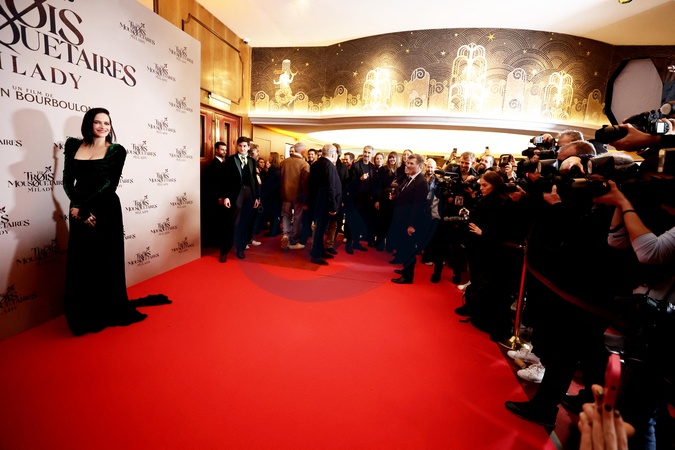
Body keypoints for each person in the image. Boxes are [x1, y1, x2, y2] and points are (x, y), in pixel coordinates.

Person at [62, 107, 169, 336]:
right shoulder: (73, 146)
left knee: (104, 258)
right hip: (78, 209)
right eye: (98, 122)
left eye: (107, 123)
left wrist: (84, 208)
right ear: (89, 124)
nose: (103, 127)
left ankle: (107, 307)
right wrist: (77, 206)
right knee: (82, 260)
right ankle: (84, 311)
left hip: (104, 208)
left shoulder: (116, 151)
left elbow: (109, 185)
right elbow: (67, 180)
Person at [390, 153, 431, 284]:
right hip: (403, 219)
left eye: (411, 163)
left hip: (410, 222)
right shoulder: (411, 178)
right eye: (407, 163)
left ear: (420, 166)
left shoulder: (421, 182)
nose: (407, 165)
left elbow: (418, 207)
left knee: (409, 249)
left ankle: (407, 277)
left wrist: (412, 225)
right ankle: (405, 270)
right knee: (404, 247)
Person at [223, 136, 260, 259]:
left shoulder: (252, 160)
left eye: (244, 146)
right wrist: (226, 197)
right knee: (232, 222)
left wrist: (257, 197)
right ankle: (224, 251)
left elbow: (254, 180)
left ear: (248, 147)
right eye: (240, 146)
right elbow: (225, 180)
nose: (242, 148)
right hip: (236, 194)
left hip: (249, 193)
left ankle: (240, 248)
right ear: (237, 146)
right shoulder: (230, 159)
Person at [308, 144, 341, 265]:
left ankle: (320, 251)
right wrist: (333, 206)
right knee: (320, 231)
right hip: (326, 203)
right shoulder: (329, 166)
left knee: (320, 230)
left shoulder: (315, 164)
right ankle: (316, 255)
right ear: (332, 154)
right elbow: (332, 188)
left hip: (317, 201)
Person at [280, 142, 310, 250]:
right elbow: (305, 184)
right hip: (299, 197)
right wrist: (306, 200)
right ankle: (293, 240)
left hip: (285, 194)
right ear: (303, 151)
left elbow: (280, 179)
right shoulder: (304, 165)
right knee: (297, 218)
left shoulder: (283, 162)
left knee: (286, 216)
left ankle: (285, 234)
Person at [203, 141, 227, 253]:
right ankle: (214, 242)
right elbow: (212, 184)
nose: (224, 152)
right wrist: (218, 197)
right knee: (215, 220)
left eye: (225, 150)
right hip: (215, 199)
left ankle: (218, 241)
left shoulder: (224, 164)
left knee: (221, 221)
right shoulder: (212, 165)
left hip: (222, 198)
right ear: (216, 150)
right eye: (222, 149)